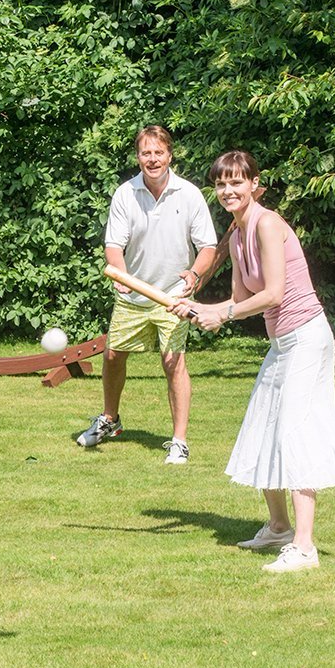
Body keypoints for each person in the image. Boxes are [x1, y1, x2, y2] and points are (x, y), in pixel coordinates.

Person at [172, 150, 335, 572]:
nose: (228, 190)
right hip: (282, 344)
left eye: (237, 182)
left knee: (295, 432)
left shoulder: (268, 224)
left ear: (256, 185)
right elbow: (237, 300)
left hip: (307, 339)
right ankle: (278, 527)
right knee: (263, 425)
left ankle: (305, 548)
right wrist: (200, 308)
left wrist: (223, 313)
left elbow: (272, 293)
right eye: (221, 184)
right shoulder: (236, 236)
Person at [77, 125, 218, 464]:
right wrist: (120, 274)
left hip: (173, 296)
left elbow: (208, 246)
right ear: (137, 156)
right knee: (112, 356)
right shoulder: (126, 193)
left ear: (170, 155)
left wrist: (195, 274)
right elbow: (114, 245)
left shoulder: (189, 194)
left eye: (158, 152)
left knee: (173, 362)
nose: (152, 159)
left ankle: (179, 441)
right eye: (145, 153)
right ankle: (110, 419)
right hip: (133, 294)